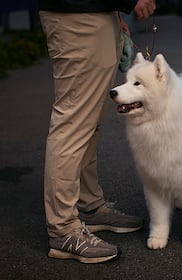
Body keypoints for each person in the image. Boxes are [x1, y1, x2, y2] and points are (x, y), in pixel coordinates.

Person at [38, 0, 156, 263]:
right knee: (74, 123)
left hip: (95, 11)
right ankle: (63, 229)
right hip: (77, 15)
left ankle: (88, 206)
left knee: (88, 122)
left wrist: (112, 13)